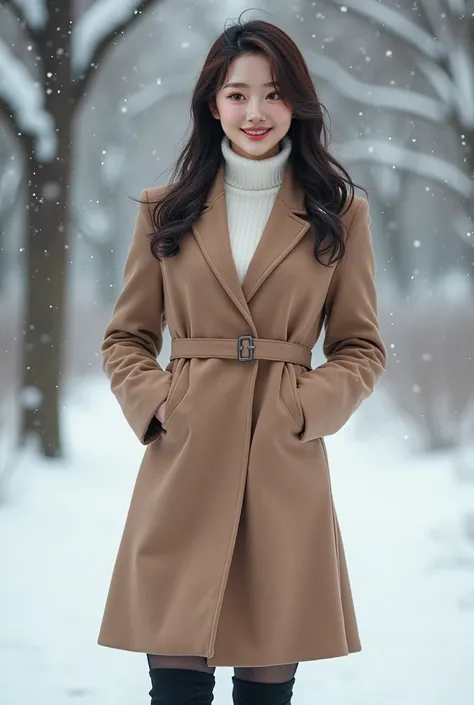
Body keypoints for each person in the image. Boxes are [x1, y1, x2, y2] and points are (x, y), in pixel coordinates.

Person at [97, 14, 387, 705]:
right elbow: (126, 337)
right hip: (186, 464)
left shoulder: (338, 213)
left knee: (265, 694)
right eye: (237, 94)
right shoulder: (163, 210)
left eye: (273, 92)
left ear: (298, 102)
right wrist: (158, 401)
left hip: (282, 467)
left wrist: (303, 407)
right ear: (211, 103)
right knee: (176, 690)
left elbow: (361, 346)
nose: (255, 111)